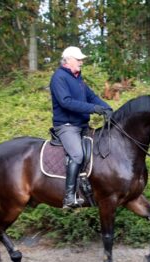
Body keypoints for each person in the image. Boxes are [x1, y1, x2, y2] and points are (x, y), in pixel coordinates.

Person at [50, 46, 112, 209]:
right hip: (67, 126)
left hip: (83, 125)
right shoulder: (59, 78)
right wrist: (93, 109)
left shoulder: (77, 78)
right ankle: (69, 197)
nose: (81, 62)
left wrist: (107, 108)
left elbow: (91, 97)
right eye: (78, 59)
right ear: (68, 60)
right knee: (77, 154)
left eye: (81, 59)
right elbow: (66, 102)